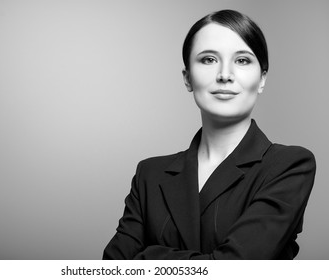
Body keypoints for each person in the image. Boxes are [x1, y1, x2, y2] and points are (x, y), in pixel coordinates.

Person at [103, 9, 316, 260]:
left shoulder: (289, 165)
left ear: (262, 79)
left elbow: (234, 267)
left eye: (242, 60)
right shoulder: (149, 174)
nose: (225, 75)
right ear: (187, 78)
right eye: (208, 60)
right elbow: (112, 268)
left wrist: (148, 257)